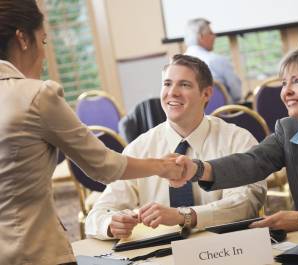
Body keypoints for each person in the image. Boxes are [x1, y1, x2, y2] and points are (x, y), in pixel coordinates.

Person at [0, 1, 182, 264]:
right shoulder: (36, 96)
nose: (43, 53)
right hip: (31, 249)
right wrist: (161, 166)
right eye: (44, 41)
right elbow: (103, 166)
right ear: (22, 39)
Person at [174, 47, 298, 232]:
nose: (286, 92)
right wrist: (198, 169)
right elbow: (252, 162)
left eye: (296, 81)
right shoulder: (289, 129)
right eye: (284, 83)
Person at [85, 54, 266, 240]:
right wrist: (110, 224)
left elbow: (245, 203)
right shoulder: (139, 148)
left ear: (206, 94)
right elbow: (97, 215)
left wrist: (183, 216)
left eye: (184, 85)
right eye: (167, 84)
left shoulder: (237, 140)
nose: (172, 92)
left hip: (228, 250)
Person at [184, 18, 243, 103]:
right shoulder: (218, 60)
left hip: (191, 115)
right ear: (201, 36)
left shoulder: (176, 66)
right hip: (222, 115)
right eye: (211, 33)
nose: (215, 36)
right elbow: (237, 93)